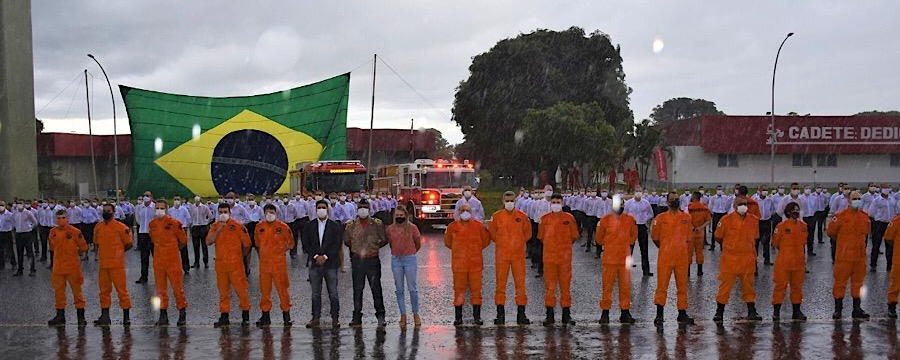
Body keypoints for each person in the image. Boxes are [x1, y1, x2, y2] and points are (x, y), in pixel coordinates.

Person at [713, 197, 762, 322]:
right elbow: (718, 236)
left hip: (747, 258)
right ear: (734, 206)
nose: (743, 206)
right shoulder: (726, 220)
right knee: (725, 286)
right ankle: (719, 312)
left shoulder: (754, 220)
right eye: (740, 204)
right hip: (730, 258)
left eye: (745, 204)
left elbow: (755, 237)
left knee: (749, 286)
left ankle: (752, 311)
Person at [488, 191, 532, 325]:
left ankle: (521, 313)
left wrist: (518, 243)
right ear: (503, 201)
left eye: (511, 200)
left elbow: (528, 233)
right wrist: (503, 243)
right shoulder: (496, 217)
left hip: (518, 256)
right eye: (507, 200)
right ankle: (500, 314)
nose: (509, 203)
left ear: (515, 201)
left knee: (521, 285)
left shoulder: (522, 216)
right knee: (500, 285)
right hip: (502, 255)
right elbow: (492, 233)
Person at [651, 193, 695, 325]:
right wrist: (665, 247)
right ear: (667, 202)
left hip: (682, 257)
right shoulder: (660, 218)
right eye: (672, 200)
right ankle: (659, 315)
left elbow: (689, 237)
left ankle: (682, 313)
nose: (675, 201)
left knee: (682, 287)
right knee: (662, 287)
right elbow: (655, 237)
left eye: (676, 199)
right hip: (665, 257)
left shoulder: (686, 217)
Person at [343, 200, 388, 327]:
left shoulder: (377, 224)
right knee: (357, 289)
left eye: (365, 207)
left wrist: (373, 247)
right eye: (361, 207)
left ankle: (380, 315)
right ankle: (356, 316)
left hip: (372, 259)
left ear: (369, 209)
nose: (363, 209)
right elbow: (347, 241)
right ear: (357, 209)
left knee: (376, 289)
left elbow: (384, 239)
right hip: (358, 260)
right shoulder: (351, 225)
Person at [827, 191, 871, 320]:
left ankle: (857, 309)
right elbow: (831, 232)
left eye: (859, 198)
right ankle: (838, 310)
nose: (857, 200)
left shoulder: (864, 217)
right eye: (854, 198)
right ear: (849, 201)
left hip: (859, 257)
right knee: (840, 284)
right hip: (844, 258)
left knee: (858, 284)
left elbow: (867, 233)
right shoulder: (840, 216)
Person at [207, 203, 252, 327]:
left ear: (230, 212)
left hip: (236, 265)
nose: (223, 214)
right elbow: (208, 241)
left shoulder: (238, 226)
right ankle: (224, 316)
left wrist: (240, 257)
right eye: (220, 211)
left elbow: (247, 244)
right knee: (223, 292)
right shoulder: (215, 226)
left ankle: (245, 315)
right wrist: (219, 230)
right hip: (221, 265)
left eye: (225, 211)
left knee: (241, 290)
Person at [445, 202, 491, 326]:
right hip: (459, 266)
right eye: (463, 210)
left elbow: (486, 241)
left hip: (475, 265)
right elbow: (448, 243)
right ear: (459, 212)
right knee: (459, 290)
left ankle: (477, 317)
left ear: (471, 212)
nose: (465, 212)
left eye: (467, 210)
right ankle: (458, 317)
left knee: (476, 291)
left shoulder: (478, 226)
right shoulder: (452, 227)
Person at [538, 194, 579, 326]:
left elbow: (574, 236)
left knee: (565, 288)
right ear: (550, 203)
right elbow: (541, 237)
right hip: (549, 259)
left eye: (558, 202)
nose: (556, 204)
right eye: (554, 202)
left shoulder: (569, 218)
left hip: (564, 259)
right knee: (550, 288)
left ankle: (566, 315)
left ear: (562, 203)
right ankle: (549, 316)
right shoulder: (544, 219)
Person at [595, 197, 637, 324]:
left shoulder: (630, 220)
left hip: (625, 259)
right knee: (607, 287)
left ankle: (625, 312)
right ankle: (605, 313)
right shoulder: (604, 220)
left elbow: (633, 236)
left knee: (626, 287)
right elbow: (599, 238)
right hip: (609, 259)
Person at [302, 200, 342, 328]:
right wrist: (315, 256)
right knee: (315, 293)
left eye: (323, 207)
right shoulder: (309, 225)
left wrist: (325, 256)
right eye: (319, 207)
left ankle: (335, 318)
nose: (321, 210)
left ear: (327, 209)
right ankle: (315, 317)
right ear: (315, 209)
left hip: (330, 263)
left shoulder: (335, 226)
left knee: (333, 292)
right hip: (314, 263)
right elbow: (306, 243)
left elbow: (337, 244)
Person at [92, 203, 133, 326]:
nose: (106, 213)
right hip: (103, 264)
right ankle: (105, 316)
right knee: (104, 291)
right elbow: (96, 243)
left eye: (108, 211)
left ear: (114, 212)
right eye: (104, 211)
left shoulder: (121, 227)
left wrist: (119, 253)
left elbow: (129, 243)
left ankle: (126, 317)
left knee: (122, 291)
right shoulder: (98, 227)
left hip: (117, 265)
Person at [149, 200, 189, 326]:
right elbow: (152, 239)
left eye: (162, 208)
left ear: (166, 209)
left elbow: (183, 241)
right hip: (158, 261)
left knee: (177, 288)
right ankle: (163, 314)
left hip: (173, 261)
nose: (159, 210)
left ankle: (182, 313)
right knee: (160, 290)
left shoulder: (174, 223)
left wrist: (173, 250)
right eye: (157, 208)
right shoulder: (152, 224)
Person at [254, 204, 295, 327]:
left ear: (276, 213)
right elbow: (257, 243)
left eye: (272, 211)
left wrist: (280, 251)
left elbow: (291, 243)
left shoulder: (282, 227)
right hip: (264, 265)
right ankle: (265, 316)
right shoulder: (259, 227)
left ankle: (286, 317)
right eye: (267, 212)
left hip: (279, 265)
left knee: (283, 290)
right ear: (264, 213)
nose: (269, 214)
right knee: (265, 291)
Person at [46, 210, 88, 326]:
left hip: (72, 267)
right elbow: (52, 247)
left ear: (68, 219)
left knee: (77, 292)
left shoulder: (75, 232)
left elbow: (83, 247)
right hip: (58, 267)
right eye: (58, 218)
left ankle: (81, 317)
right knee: (58, 293)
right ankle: (60, 316)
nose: (61, 220)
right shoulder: (52, 232)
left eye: (63, 218)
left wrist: (75, 254)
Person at [771, 202, 808, 321]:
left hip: (798, 262)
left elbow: (804, 242)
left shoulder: (803, 226)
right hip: (784, 262)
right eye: (793, 210)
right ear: (788, 212)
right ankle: (776, 312)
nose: (796, 212)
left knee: (797, 287)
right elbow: (776, 243)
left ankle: (796, 311)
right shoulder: (780, 226)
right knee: (780, 287)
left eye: (797, 210)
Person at [386, 206, 422, 327]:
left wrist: (411, 252)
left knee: (412, 289)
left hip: (409, 259)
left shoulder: (412, 228)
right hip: (396, 259)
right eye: (397, 215)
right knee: (399, 289)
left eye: (402, 215)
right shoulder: (390, 229)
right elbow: (391, 243)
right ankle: (403, 315)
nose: (399, 217)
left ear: (406, 215)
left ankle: (416, 314)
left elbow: (418, 242)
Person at [624, 188, 654, 277]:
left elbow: (651, 213)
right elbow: (624, 215)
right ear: (634, 192)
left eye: (639, 191)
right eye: (636, 191)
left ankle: (646, 270)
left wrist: (645, 219)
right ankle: (626, 270)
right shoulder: (628, 203)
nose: (638, 193)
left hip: (642, 226)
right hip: (631, 227)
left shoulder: (646, 203)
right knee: (629, 249)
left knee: (644, 249)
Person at [868, 186, 895, 272]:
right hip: (879, 224)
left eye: (888, 187)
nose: (887, 189)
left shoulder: (892, 200)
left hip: (889, 224)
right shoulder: (876, 200)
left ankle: (889, 265)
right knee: (876, 245)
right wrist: (877, 219)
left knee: (890, 246)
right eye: (885, 187)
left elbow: (895, 210)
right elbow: (871, 212)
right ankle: (873, 265)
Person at [687, 192, 711, 276]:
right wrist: (701, 227)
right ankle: (699, 271)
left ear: (693, 197)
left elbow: (686, 219)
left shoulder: (689, 207)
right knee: (699, 252)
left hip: (690, 232)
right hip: (700, 233)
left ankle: (688, 272)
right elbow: (708, 220)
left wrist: (693, 227)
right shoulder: (704, 208)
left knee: (689, 252)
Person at [12, 201, 38, 276]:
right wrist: (15, 228)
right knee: (19, 252)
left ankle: (32, 270)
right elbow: (12, 221)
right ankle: (20, 270)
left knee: (30, 252)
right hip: (18, 234)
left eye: (21, 204)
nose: (19, 206)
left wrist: (30, 227)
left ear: (23, 205)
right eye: (18, 204)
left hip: (27, 234)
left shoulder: (28, 213)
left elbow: (35, 222)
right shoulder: (15, 213)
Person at [168, 196, 192, 274]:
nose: (176, 201)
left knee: (184, 249)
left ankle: (186, 267)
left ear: (181, 200)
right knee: (173, 249)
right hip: (173, 231)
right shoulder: (170, 210)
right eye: (175, 199)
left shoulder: (184, 209)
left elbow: (189, 219)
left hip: (182, 229)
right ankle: (173, 266)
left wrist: (185, 227)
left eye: (178, 199)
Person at [134, 192, 155, 284]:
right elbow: (138, 219)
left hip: (153, 234)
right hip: (143, 233)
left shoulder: (155, 206)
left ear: (151, 197)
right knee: (144, 256)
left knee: (156, 256)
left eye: (148, 195)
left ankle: (159, 276)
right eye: (144, 195)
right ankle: (144, 276)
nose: (146, 197)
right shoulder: (139, 207)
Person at [753, 185, 777, 266]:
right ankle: (754, 260)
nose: (765, 192)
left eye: (766, 190)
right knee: (756, 241)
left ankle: (767, 259)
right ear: (759, 191)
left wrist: (769, 215)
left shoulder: (770, 200)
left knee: (766, 241)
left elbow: (773, 210)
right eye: (763, 190)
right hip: (757, 222)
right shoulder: (755, 200)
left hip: (766, 221)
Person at [189, 196, 212, 269]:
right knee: (195, 246)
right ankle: (196, 262)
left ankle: (206, 262)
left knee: (204, 245)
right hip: (195, 227)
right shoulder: (192, 207)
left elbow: (210, 216)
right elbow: (190, 217)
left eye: (198, 201)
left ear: (200, 201)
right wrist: (191, 225)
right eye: (195, 201)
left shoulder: (205, 207)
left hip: (203, 226)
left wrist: (206, 223)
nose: (197, 202)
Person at [885, 212, 900, 318]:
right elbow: (888, 238)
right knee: (895, 284)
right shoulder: (896, 221)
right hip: (898, 259)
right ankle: (892, 306)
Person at [708, 185, 731, 251]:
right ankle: (713, 245)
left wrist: (726, 212)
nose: (719, 191)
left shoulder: (726, 197)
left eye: (720, 189)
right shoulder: (713, 198)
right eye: (718, 189)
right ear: (716, 190)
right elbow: (710, 206)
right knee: (714, 229)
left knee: (724, 230)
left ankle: (723, 245)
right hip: (716, 214)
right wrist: (713, 213)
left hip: (723, 214)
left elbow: (728, 205)